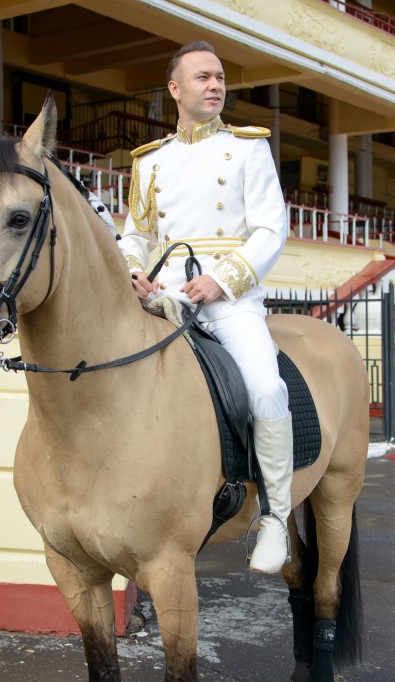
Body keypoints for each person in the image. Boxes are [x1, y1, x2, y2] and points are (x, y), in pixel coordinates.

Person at [119, 40, 292, 573]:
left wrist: (223, 279)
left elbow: (271, 228)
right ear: (175, 89)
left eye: (219, 77)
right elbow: (136, 235)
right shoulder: (150, 162)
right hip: (164, 298)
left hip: (227, 298)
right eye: (202, 77)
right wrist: (132, 272)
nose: (215, 85)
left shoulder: (247, 148)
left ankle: (276, 517)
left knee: (266, 387)